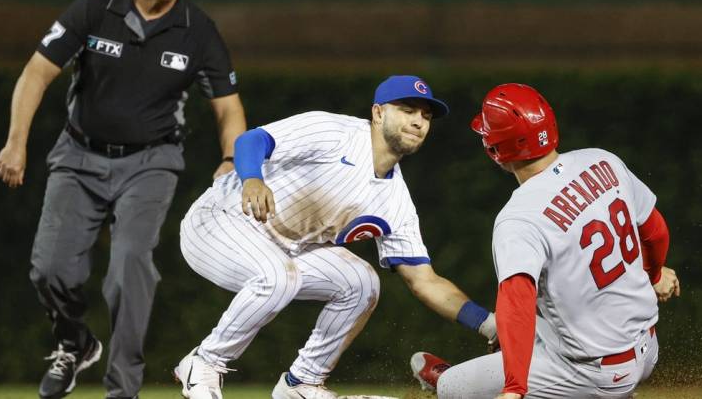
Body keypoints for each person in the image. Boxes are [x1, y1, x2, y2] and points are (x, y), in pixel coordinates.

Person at [0, 0, 247, 398]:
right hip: (78, 155)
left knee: (130, 267)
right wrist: (16, 142)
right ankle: (75, 345)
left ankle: (122, 389)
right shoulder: (95, 8)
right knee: (49, 270)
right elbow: (37, 72)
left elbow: (229, 106)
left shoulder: (197, 28)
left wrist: (230, 158)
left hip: (151, 163)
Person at [174, 75, 497, 399]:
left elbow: (425, 281)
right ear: (378, 112)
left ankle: (300, 385)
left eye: (426, 116)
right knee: (277, 277)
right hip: (216, 221)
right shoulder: (334, 132)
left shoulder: (395, 201)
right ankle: (204, 362)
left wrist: (488, 323)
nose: (418, 121)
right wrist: (253, 179)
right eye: (408, 109)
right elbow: (252, 141)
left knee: (361, 283)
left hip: (283, 247)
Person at [410, 83, 680, 399]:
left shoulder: (519, 217)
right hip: (648, 347)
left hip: (593, 373)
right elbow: (656, 230)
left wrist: (514, 388)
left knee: (453, 388)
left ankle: (460, 384)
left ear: (494, 150)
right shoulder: (602, 160)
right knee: (541, 316)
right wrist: (655, 274)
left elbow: (516, 302)